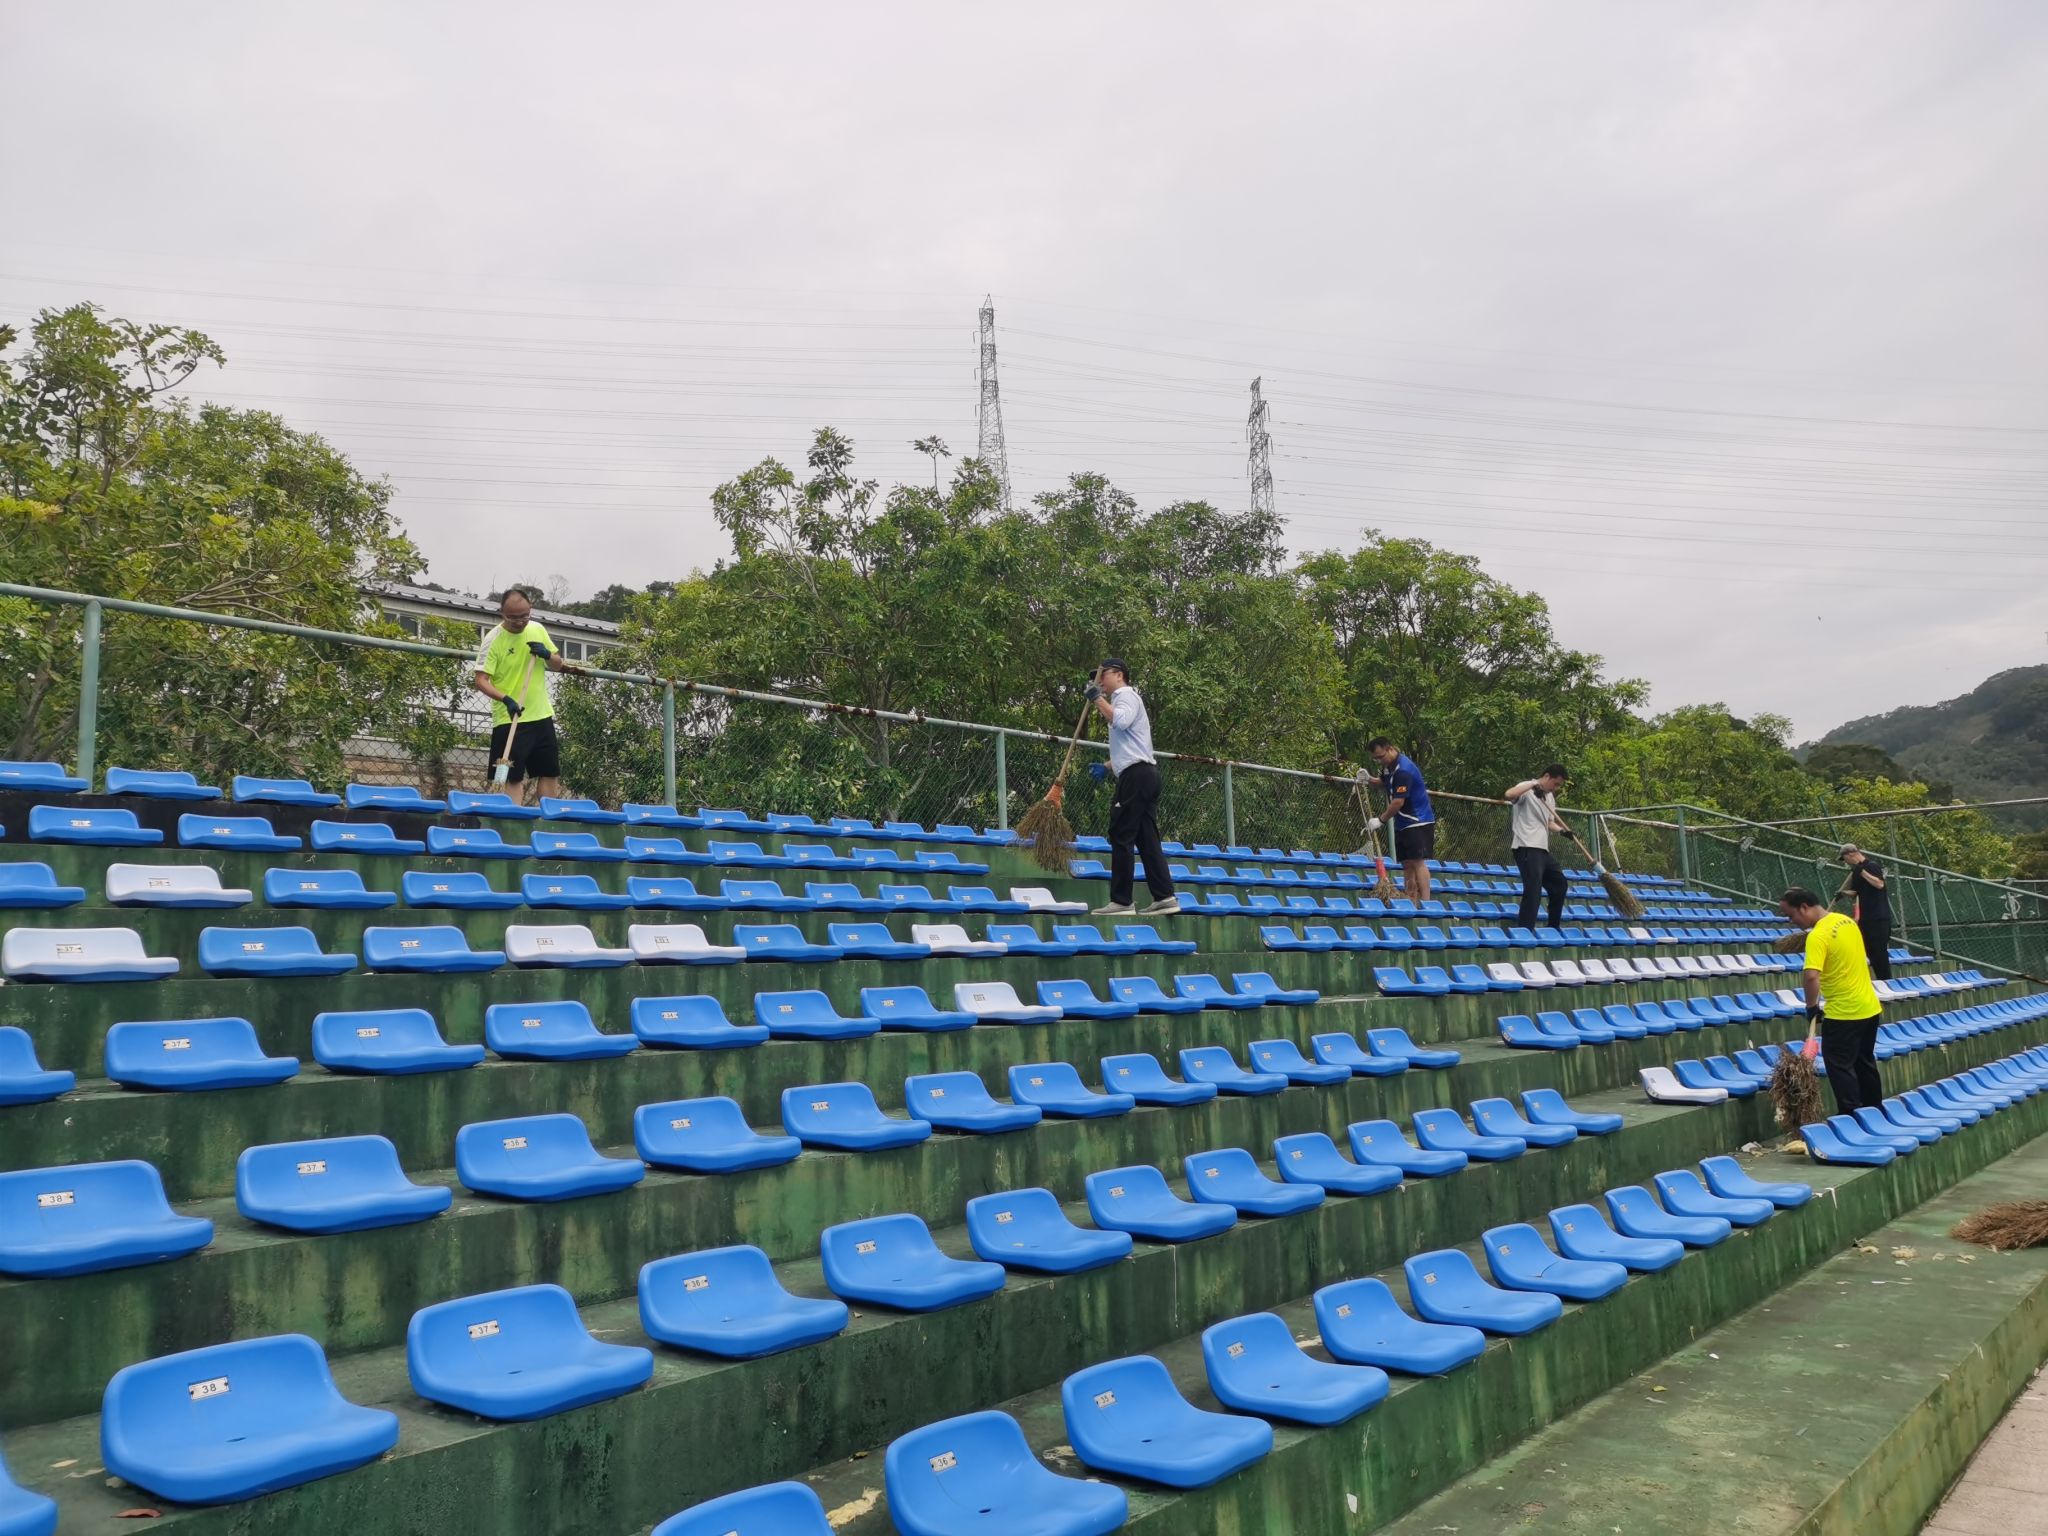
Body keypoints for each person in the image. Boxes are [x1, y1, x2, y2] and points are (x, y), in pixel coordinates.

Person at [472, 588, 585, 805]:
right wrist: (506, 699)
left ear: (530, 609)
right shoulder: (493, 639)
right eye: (513, 617)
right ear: (502, 613)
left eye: (524, 616)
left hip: (541, 715)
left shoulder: (537, 629)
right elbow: (481, 680)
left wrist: (547, 654)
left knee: (549, 772)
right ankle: (511, 819)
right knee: (511, 777)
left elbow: (557, 664)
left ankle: (548, 818)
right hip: (510, 718)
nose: (520, 621)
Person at [1780, 886, 1884, 1117]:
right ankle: (1875, 1113)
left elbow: (1811, 976)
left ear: (1804, 907)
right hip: (1869, 1008)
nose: (1791, 921)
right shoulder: (1847, 922)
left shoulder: (1818, 935)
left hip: (1844, 1013)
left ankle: (1851, 1116)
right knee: (1865, 1063)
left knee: (1839, 1066)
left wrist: (1811, 1007)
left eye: (1791, 915)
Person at [1087, 658, 1177, 918]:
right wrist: (1108, 766)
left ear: (1119, 675)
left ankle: (1122, 900)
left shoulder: (1124, 695)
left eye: (1102, 676)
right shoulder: (1126, 698)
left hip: (1136, 776)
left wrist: (1096, 699)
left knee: (1120, 832)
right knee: (1147, 839)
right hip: (1145, 773)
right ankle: (1165, 897)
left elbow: (1121, 721)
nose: (1099, 682)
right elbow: (1133, 746)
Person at [1366, 738, 1436, 903]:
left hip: (1417, 820)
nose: (1379, 761)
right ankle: (1411, 898)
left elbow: (1398, 802)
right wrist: (1368, 779)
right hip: (1402, 823)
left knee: (1418, 861)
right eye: (1376, 759)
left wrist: (1381, 820)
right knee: (1406, 863)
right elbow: (1383, 782)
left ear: (1390, 749)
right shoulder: (1389, 766)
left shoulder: (1404, 770)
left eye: (1381, 756)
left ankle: (1426, 902)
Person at [1505, 765, 1570, 931]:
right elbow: (1509, 794)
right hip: (1526, 846)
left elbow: (1549, 822)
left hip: (1542, 849)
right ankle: (1525, 930)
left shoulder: (1549, 797)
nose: (1556, 788)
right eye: (1555, 783)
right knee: (1533, 888)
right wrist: (1533, 785)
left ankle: (1553, 927)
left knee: (1560, 884)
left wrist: (1562, 831)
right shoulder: (1526, 788)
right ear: (1547, 776)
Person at [1839, 843, 1894, 980]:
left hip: (1879, 917)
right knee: (1869, 950)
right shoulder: (1855, 872)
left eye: (1845, 858)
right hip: (1866, 918)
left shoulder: (1871, 866)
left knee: (1879, 952)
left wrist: (1862, 871)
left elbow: (1879, 884)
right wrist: (1843, 893)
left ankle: (1886, 980)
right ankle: (1877, 979)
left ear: (1851, 854)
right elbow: (1856, 892)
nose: (1845, 862)